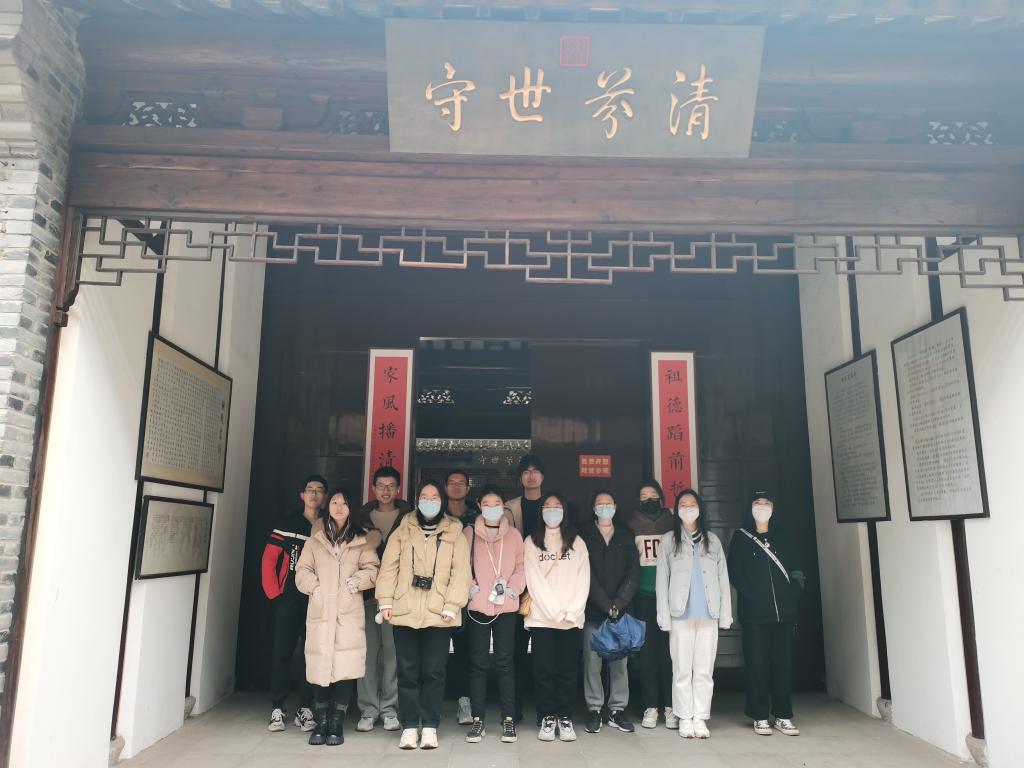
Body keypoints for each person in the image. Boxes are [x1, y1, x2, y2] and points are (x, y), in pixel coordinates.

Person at [376, 480, 472, 750]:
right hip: (405, 608)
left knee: (434, 672)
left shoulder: (455, 531)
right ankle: (409, 726)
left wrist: (452, 604)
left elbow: (461, 572)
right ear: (417, 500)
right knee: (407, 671)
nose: (429, 501)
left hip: (439, 612)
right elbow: (389, 568)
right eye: (424, 497)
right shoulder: (403, 530)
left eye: (434, 497)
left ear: (442, 501)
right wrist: (385, 600)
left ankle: (429, 725)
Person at [295, 488, 380, 746]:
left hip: (348, 613)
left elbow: (373, 570)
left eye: (344, 503)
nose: (339, 507)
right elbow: (302, 571)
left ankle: (337, 722)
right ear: (328, 507)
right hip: (321, 612)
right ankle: (321, 721)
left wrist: (356, 583)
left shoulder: (361, 540)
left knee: (345, 667)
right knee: (320, 665)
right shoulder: (316, 541)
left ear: (351, 508)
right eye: (334, 502)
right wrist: (316, 589)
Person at [656, 488, 732, 739]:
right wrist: (664, 618)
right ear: (676, 510)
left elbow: (723, 579)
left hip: (708, 614)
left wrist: (725, 616)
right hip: (680, 615)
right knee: (681, 670)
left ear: (700, 508)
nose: (688, 508)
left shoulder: (712, 540)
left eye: (692, 504)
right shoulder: (669, 540)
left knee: (704, 670)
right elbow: (661, 581)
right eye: (683, 505)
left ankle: (700, 717)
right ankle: (685, 717)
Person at [727, 490, 804, 737]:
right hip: (754, 615)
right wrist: (752, 596)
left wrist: (793, 593)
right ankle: (759, 715)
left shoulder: (783, 536)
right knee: (757, 665)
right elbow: (735, 572)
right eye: (757, 503)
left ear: (773, 506)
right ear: (749, 507)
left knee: (783, 665)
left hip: (784, 614)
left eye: (766, 503)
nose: (762, 507)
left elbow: (797, 568)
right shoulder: (741, 537)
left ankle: (783, 714)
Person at [260, 474, 327, 733]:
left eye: (319, 490)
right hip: (288, 598)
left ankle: (306, 707)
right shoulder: (287, 523)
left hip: (316, 600)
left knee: (311, 654)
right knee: (282, 652)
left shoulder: (327, 524)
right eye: (309, 489)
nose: (314, 494)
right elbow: (269, 560)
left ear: (325, 496)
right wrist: (275, 595)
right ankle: (278, 707)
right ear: (302, 495)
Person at [523, 492, 590, 743]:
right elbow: (534, 582)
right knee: (544, 670)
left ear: (565, 510)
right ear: (541, 511)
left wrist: (571, 612)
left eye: (557, 506)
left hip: (571, 619)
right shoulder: (531, 541)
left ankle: (565, 716)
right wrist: (556, 612)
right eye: (547, 506)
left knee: (568, 670)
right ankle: (547, 716)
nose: (552, 510)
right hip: (542, 619)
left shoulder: (577, 542)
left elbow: (583, 580)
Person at [463, 485, 526, 744]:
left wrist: (513, 589)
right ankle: (478, 719)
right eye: (486, 504)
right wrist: (470, 588)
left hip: (506, 606)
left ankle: (508, 718)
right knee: (478, 663)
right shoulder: (469, 533)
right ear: (479, 505)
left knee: (505, 662)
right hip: (478, 605)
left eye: (496, 503)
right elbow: (461, 565)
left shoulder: (514, 535)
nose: (491, 508)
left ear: (503, 506)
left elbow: (521, 567)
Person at [579, 490, 640, 734]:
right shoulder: (584, 535)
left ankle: (617, 710)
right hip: (594, 610)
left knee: (619, 663)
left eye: (608, 503)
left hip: (620, 612)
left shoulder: (625, 534)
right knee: (592, 663)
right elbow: (586, 573)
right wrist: (606, 604)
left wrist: (619, 603)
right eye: (599, 503)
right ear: (593, 508)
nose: (604, 507)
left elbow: (633, 572)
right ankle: (594, 709)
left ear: (615, 506)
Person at [356, 466, 412, 732]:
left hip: (397, 598)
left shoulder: (409, 518)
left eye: (391, 486)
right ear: (373, 488)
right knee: (367, 654)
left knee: (393, 655)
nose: (386, 491)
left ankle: (390, 709)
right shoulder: (360, 519)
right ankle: (368, 709)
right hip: (366, 596)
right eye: (381, 485)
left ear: (398, 488)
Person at [626, 479, 676, 730]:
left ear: (661, 496)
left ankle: (671, 706)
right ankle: (650, 706)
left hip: (670, 597)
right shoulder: (631, 525)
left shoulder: (673, 523)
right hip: (644, 596)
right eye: (644, 496)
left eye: (653, 494)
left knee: (669, 654)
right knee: (647, 655)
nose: (649, 499)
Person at [506, 454, 545, 721]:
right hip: (518, 588)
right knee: (516, 652)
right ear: (520, 478)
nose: (531, 475)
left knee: (544, 653)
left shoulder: (553, 505)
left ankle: (545, 708)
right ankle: (515, 705)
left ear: (543, 476)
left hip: (545, 589)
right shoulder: (509, 508)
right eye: (526, 471)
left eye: (535, 470)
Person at [444, 469, 480, 726]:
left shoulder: (477, 517)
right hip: (437, 591)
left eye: (461, 483)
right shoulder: (435, 515)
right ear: (446, 487)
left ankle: (464, 701)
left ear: (468, 488)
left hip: (469, 592)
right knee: (434, 651)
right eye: (452, 482)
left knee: (466, 649)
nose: (456, 486)